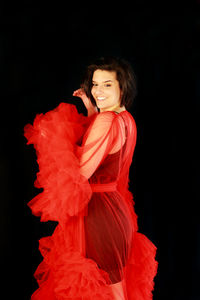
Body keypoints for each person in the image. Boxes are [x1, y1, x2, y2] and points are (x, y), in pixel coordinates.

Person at [24, 57, 158, 300]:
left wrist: (51, 140)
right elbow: (105, 153)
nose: (98, 91)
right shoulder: (126, 119)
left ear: (123, 87)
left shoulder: (108, 121)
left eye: (107, 84)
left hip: (98, 217)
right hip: (113, 210)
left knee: (107, 290)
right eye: (95, 84)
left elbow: (81, 175)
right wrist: (92, 111)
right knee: (113, 286)